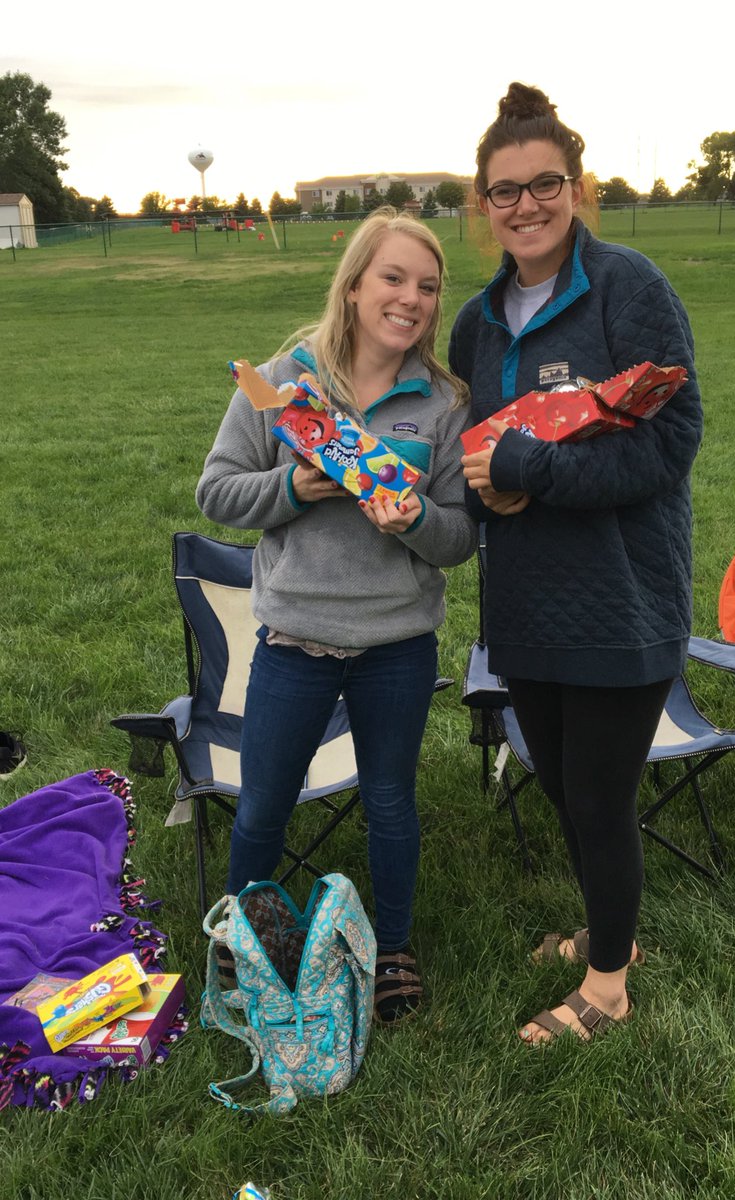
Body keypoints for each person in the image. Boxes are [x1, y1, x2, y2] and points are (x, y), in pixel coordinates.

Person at [450, 83, 703, 1044]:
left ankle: (606, 986)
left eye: (543, 183)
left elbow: (670, 441)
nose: (525, 205)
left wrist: (536, 472)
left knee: (598, 790)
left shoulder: (628, 287)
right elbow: (477, 452)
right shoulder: (476, 323)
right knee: (555, 776)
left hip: (619, 592)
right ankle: (611, 931)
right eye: (503, 191)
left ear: (575, 184)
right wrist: (488, 483)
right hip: (523, 594)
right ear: (483, 206)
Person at [197, 207, 477, 1025]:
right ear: (354, 286)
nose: (411, 298)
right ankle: (243, 943)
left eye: (427, 286)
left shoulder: (443, 401)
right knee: (263, 804)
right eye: (392, 278)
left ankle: (391, 946)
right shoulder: (284, 384)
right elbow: (215, 491)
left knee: (390, 800)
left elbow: (459, 536)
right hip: (293, 639)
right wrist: (296, 486)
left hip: (396, 642)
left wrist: (414, 518)